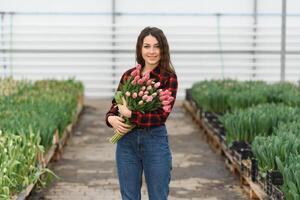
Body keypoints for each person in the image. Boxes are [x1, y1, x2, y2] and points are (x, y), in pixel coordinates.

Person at [105, 26, 178, 200]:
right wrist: (111, 119)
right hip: (126, 144)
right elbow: (115, 106)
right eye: (146, 46)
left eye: (156, 46)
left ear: (163, 49)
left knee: (158, 196)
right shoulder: (129, 75)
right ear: (140, 48)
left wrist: (130, 114)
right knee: (129, 197)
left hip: (154, 142)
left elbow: (161, 116)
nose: (151, 51)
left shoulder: (168, 78)